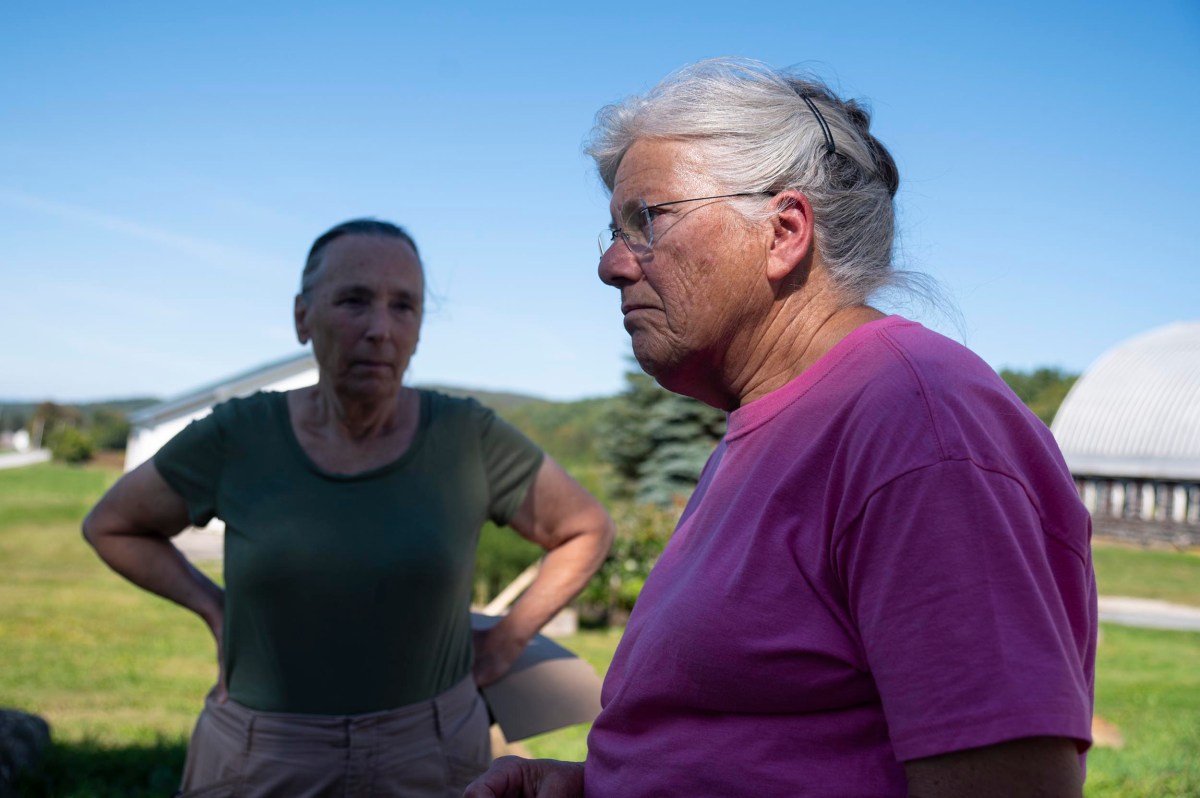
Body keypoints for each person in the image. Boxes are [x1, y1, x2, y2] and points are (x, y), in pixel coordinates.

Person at [467, 58, 1096, 797]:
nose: (611, 264)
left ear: (784, 230)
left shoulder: (915, 420)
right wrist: (592, 786)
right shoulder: (770, 428)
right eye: (613, 227)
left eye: (648, 220)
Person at [82, 218, 615, 797]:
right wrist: (215, 608)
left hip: (431, 753)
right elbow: (113, 525)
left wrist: (508, 641)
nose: (380, 329)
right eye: (354, 301)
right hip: (262, 751)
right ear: (301, 317)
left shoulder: (467, 437)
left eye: (404, 306)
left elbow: (585, 528)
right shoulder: (239, 435)